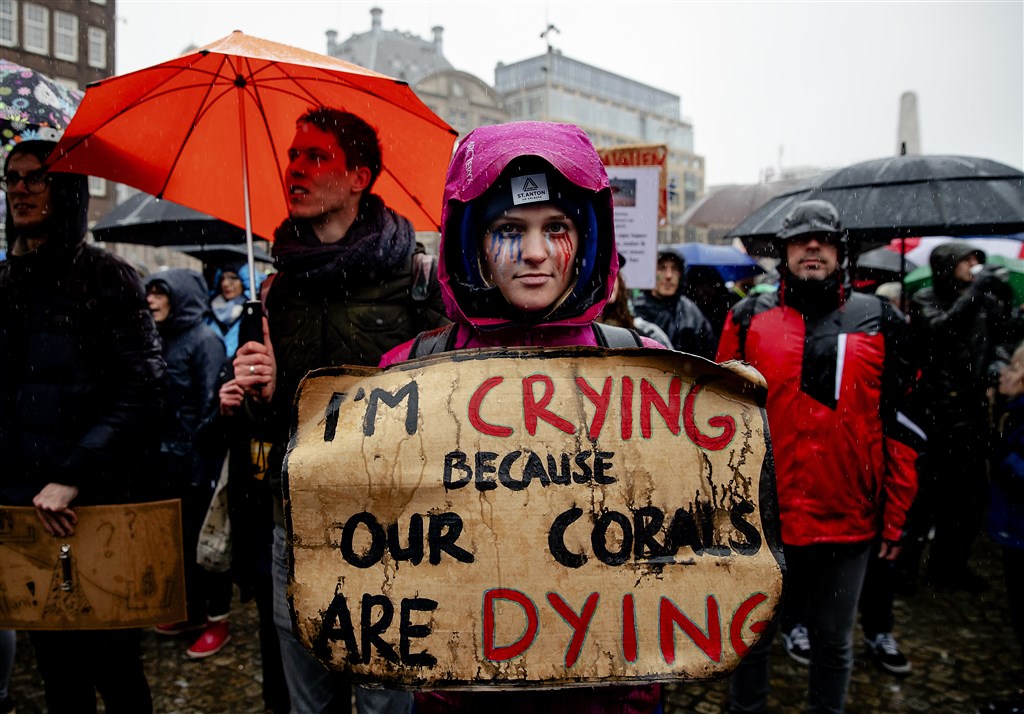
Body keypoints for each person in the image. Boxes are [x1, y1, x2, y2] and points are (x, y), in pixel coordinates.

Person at [378, 120, 663, 714]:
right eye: (509, 230)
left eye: (554, 228)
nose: (534, 253)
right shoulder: (405, 376)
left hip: (605, 696)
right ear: (474, 243)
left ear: (584, 240)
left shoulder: (650, 375)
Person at [232, 106, 446, 714]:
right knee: (310, 706)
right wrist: (258, 397)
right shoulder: (278, 289)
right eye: (293, 156)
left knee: (385, 705)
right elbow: (270, 429)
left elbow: (446, 413)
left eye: (315, 157)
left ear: (358, 177)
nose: (294, 169)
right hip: (296, 529)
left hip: (389, 534)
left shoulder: (415, 280)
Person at [717, 200, 920, 714]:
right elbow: (716, 423)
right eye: (801, 240)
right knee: (751, 641)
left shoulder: (880, 320)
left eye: (824, 240)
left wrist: (895, 520)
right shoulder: (747, 318)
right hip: (763, 518)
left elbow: (902, 429)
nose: (813, 248)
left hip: (847, 519)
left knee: (833, 643)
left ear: (839, 251)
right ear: (784, 251)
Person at [0, 139, 164, 712]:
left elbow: (143, 388)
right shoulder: (4, 283)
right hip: (22, 504)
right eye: (12, 178)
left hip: (94, 503)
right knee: (56, 671)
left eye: (35, 178)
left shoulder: (107, 277)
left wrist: (73, 473)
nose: (19, 188)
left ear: (65, 187)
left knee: (116, 665)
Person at [905, 241, 1011, 592]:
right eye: (965, 260)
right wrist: (978, 293)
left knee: (970, 498)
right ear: (947, 265)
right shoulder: (925, 300)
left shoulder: (982, 301)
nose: (971, 266)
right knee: (926, 497)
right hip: (936, 413)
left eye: (975, 260)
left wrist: (1002, 299)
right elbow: (941, 331)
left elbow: (1001, 338)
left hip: (973, 411)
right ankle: (905, 569)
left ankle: (948, 565)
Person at [146, 268, 236, 659]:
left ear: (179, 297)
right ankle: (192, 612)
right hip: (167, 463)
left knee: (205, 545)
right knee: (180, 543)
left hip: (198, 463)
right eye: (148, 292)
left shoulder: (205, 341)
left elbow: (210, 406)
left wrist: (192, 452)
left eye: (159, 293)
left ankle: (218, 619)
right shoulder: (159, 339)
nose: (151, 300)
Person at [975, 341, 1024, 713]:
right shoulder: (1011, 411)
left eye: (1013, 367)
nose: (1004, 372)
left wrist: (1003, 453)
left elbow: (1014, 471)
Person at [633, 249, 716, 357]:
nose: (669, 276)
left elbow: (708, 352)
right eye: (662, 268)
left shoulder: (691, 312)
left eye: (675, 269)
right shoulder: (634, 308)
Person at [601, 253, 672, 347]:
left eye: (613, 271)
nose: (610, 278)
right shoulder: (577, 335)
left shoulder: (638, 335)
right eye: (601, 271)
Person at [206, 259, 249, 358]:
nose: (225, 284)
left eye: (232, 278)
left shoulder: (251, 314)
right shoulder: (209, 313)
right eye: (222, 278)